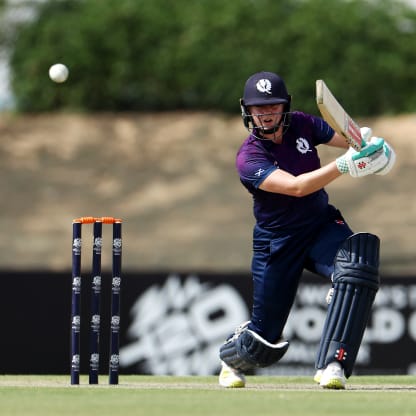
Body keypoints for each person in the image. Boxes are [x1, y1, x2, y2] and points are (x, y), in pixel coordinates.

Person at [218, 71, 396, 389]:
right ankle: (231, 357)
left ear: (284, 106)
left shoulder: (302, 123)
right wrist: (344, 165)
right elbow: (298, 187)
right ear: (247, 110)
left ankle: (333, 365)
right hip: (277, 242)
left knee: (357, 270)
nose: (265, 113)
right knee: (264, 344)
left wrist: (372, 146)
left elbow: (349, 140)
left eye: (272, 106)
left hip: (320, 225)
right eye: (258, 108)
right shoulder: (249, 158)